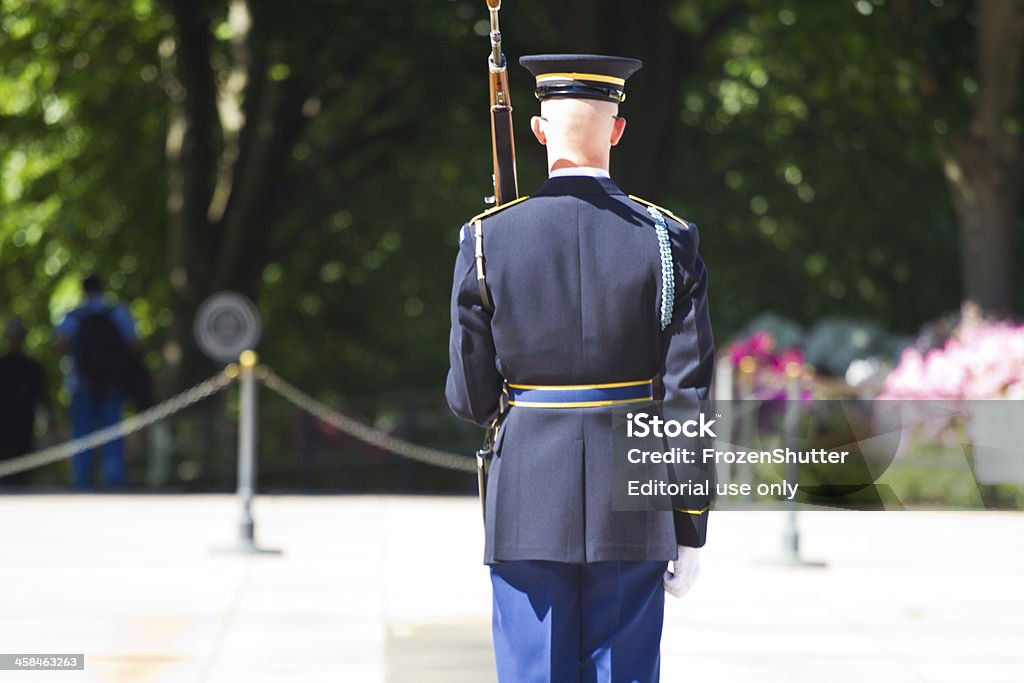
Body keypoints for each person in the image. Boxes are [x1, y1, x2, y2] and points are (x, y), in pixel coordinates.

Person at [445, 55, 715, 682]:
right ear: (618, 131)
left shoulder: (486, 239)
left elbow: (471, 397)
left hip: (526, 498)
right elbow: (686, 397)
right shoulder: (668, 239)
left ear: (538, 131)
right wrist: (690, 521)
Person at [54, 275, 139, 490]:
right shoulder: (117, 312)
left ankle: (82, 482)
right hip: (112, 382)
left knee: (82, 433)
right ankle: (115, 482)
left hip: (81, 383)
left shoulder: (74, 316)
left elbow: (59, 345)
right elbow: (134, 343)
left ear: (84, 291)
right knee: (113, 431)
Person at [0, 318, 50, 486]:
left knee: (23, 468)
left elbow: (42, 397)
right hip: (7, 428)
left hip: (24, 426)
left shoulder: (33, 368)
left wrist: (49, 423)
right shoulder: (27, 367)